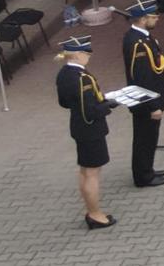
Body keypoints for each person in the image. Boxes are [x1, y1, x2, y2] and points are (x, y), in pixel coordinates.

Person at [57, 35, 117, 229]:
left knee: (85, 171)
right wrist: (108, 105)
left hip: (79, 125)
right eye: (86, 53)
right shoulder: (81, 78)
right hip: (91, 128)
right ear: (76, 55)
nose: (88, 56)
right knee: (92, 173)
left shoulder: (63, 74)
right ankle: (95, 214)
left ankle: (92, 211)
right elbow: (91, 110)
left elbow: (64, 102)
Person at [119, 0, 164, 189]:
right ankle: (143, 176)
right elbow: (142, 78)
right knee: (144, 139)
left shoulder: (144, 37)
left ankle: (148, 169)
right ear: (143, 19)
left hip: (150, 97)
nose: (157, 19)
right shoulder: (137, 43)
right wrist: (153, 106)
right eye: (153, 17)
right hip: (145, 101)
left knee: (150, 137)